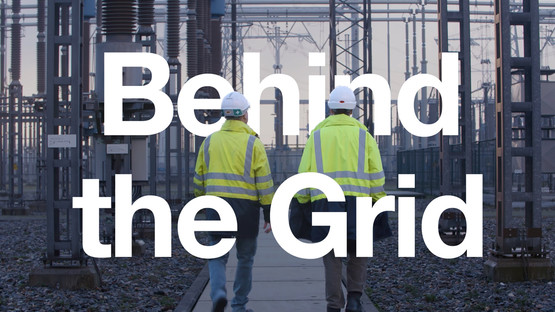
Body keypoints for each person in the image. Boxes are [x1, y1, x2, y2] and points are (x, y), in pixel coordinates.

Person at [295, 86, 388, 312]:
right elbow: (375, 172)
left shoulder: (316, 136)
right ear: (352, 110)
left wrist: (303, 199)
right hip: (359, 200)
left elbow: (304, 173)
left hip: (325, 202)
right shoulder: (364, 136)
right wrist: (378, 198)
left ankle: (334, 305)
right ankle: (355, 298)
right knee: (359, 250)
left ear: (330, 109)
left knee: (333, 256)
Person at [194, 92, 274, 312]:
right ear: (244, 116)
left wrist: (200, 202)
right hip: (245, 210)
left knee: (217, 255)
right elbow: (264, 181)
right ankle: (239, 305)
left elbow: (199, 176)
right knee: (245, 257)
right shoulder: (253, 143)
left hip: (216, 207)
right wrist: (268, 212)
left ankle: (218, 293)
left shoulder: (210, 141)